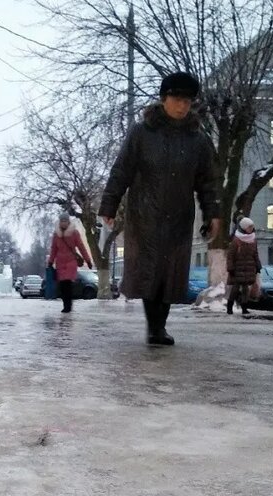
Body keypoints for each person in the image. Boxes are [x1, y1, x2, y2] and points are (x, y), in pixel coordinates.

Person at [99, 72, 222, 346]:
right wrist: (109, 204)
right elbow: (121, 170)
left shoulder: (197, 140)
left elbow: (208, 182)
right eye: (177, 99)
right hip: (145, 216)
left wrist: (213, 213)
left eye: (187, 101)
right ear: (164, 99)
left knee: (170, 273)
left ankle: (159, 326)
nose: (182, 106)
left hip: (179, 218)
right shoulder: (142, 133)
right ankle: (155, 327)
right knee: (149, 271)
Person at [47, 213, 93, 313]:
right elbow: (53, 249)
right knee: (62, 285)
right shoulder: (56, 234)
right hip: (60, 263)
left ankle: (68, 306)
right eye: (62, 221)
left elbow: (81, 247)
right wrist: (50, 261)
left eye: (65, 221)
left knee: (67, 283)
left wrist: (88, 260)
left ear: (68, 222)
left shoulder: (74, 233)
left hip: (71, 262)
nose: (64, 223)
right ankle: (66, 304)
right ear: (59, 222)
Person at [226, 216, 262, 315]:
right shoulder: (236, 240)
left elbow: (255, 254)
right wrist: (230, 268)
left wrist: (258, 266)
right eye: (249, 227)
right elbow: (230, 256)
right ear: (244, 227)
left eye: (252, 227)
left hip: (249, 268)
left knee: (246, 289)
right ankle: (229, 307)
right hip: (237, 269)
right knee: (235, 288)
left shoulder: (253, 240)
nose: (251, 228)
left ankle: (244, 308)